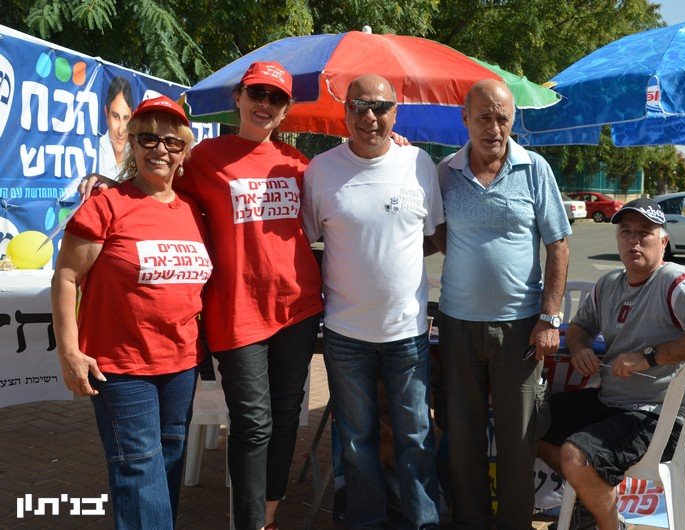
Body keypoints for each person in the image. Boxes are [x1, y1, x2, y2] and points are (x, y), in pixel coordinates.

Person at [80, 62, 325, 530]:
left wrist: (389, 147)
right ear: (239, 98)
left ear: (286, 110)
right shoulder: (206, 157)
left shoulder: (299, 164)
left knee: (286, 417)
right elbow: (156, 177)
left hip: (298, 306)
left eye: (276, 98)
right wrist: (110, 184)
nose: (265, 104)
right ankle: (248, 521)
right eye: (257, 93)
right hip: (236, 312)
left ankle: (268, 516)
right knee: (252, 423)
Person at [52, 95, 210, 529]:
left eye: (172, 142)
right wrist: (69, 352)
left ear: (185, 152)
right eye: (148, 139)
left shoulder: (193, 210)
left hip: (181, 363)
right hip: (121, 366)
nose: (160, 150)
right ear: (132, 144)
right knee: (139, 469)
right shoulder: (106, 205)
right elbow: (66, 277)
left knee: (168, 462)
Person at [537, 198, 685, 530]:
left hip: (656, 415)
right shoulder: (609, 284)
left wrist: (649, 357)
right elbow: (580, 326)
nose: (634, 241)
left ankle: (609, 524)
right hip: (610, 402)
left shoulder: (676, 282)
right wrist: (580, 347)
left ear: (663, 241)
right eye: (626, 232)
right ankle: (591, 502)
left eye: (644, 233)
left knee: (576, 455)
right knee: (530, 423)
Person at [302, 74, 443, 529]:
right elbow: (306, 240)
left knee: (416, 436)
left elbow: (431, 236)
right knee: (356, 440)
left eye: (380, 107)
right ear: (345, 112)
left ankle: (424, 522)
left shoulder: (418, 163)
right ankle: (366, 522)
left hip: (407, 332)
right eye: (359, 106)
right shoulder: (320, 170)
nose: (370, 117)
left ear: (395, 113)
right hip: (345, 334)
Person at [431, 78, 570, 530]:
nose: (494, 128)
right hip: (458, 324)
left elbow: (559, 245)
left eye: (503, 118)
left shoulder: (535, 168)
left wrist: (549, 317)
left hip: (521, 328)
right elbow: (438, 235)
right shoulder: (444, 172)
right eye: (484, 117)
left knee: (518, 439)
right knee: (462, 436)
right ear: (465, 119)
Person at [97, 76, 134, 181]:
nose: (121, 130)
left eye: (126, 118)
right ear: (106, 113)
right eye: (116, 116)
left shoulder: (136, 156)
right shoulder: (93, 154)